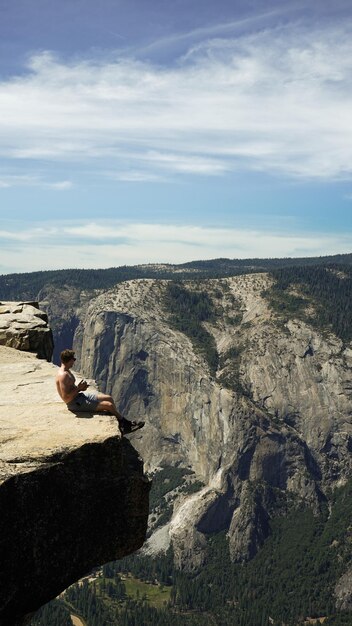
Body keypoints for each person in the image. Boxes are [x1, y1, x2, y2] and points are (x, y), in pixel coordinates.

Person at [56, 348, 144, 435]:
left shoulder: (66, 371)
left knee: (108, 398)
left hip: (79, 397)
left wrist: (81, 389)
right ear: (69, 360)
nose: (74, 361)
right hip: (74, 403)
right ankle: (125, 424)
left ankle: (121, 423)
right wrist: (78, 388)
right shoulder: (63, 375)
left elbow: (70, 389)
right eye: (73, 359)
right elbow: (66, 397)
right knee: (108, 405)